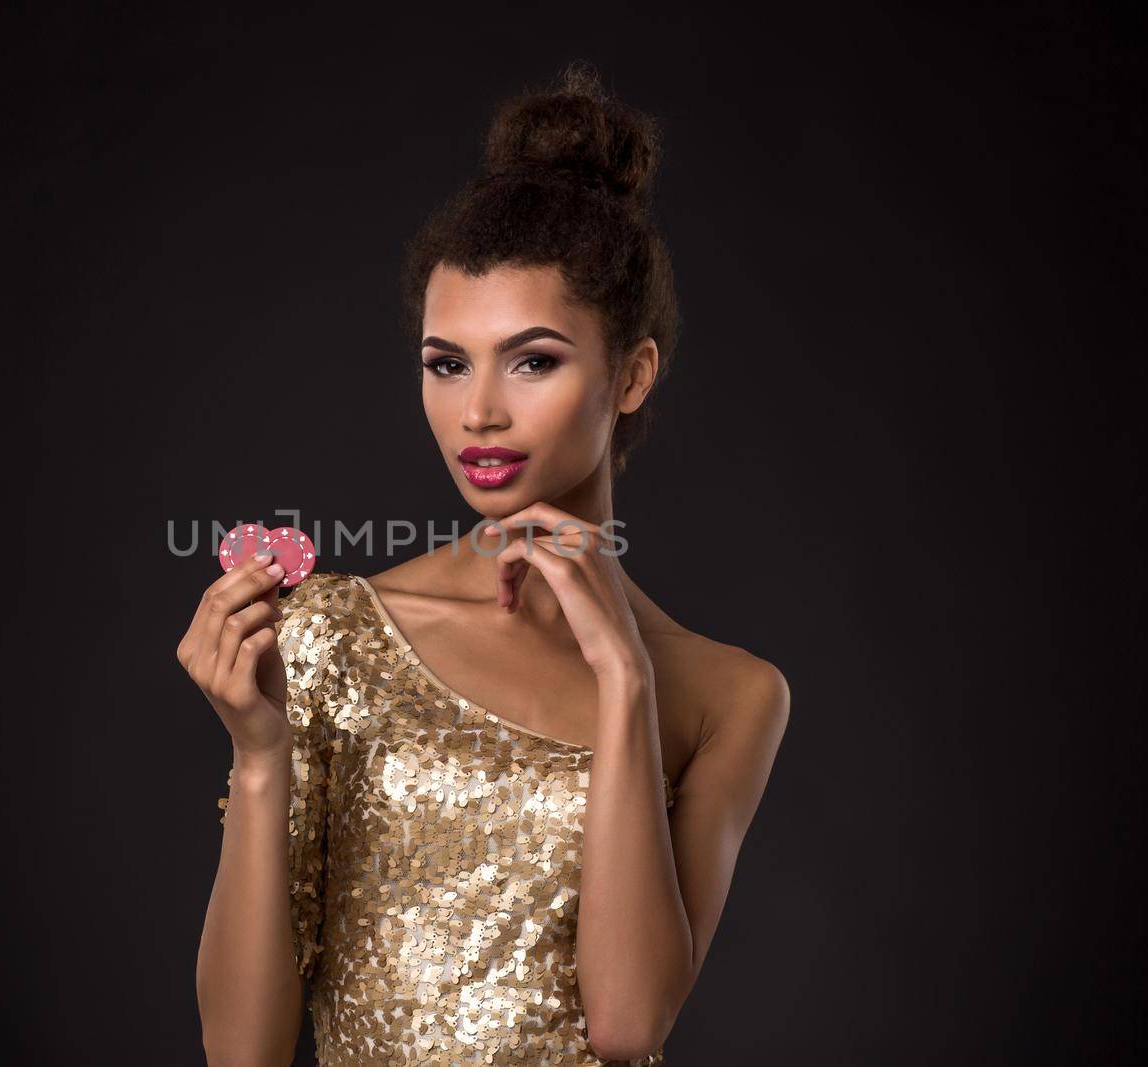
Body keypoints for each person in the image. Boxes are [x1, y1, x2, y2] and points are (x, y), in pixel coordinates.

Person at [184, 61, 790, 1067]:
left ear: (631, 373)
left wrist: (623, 678)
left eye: (534, 358)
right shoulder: (336, 630)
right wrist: (258, 759)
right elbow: (240, 1051)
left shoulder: (727, 693)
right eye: (445, 361)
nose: (479, 413)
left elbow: (630, 1025)